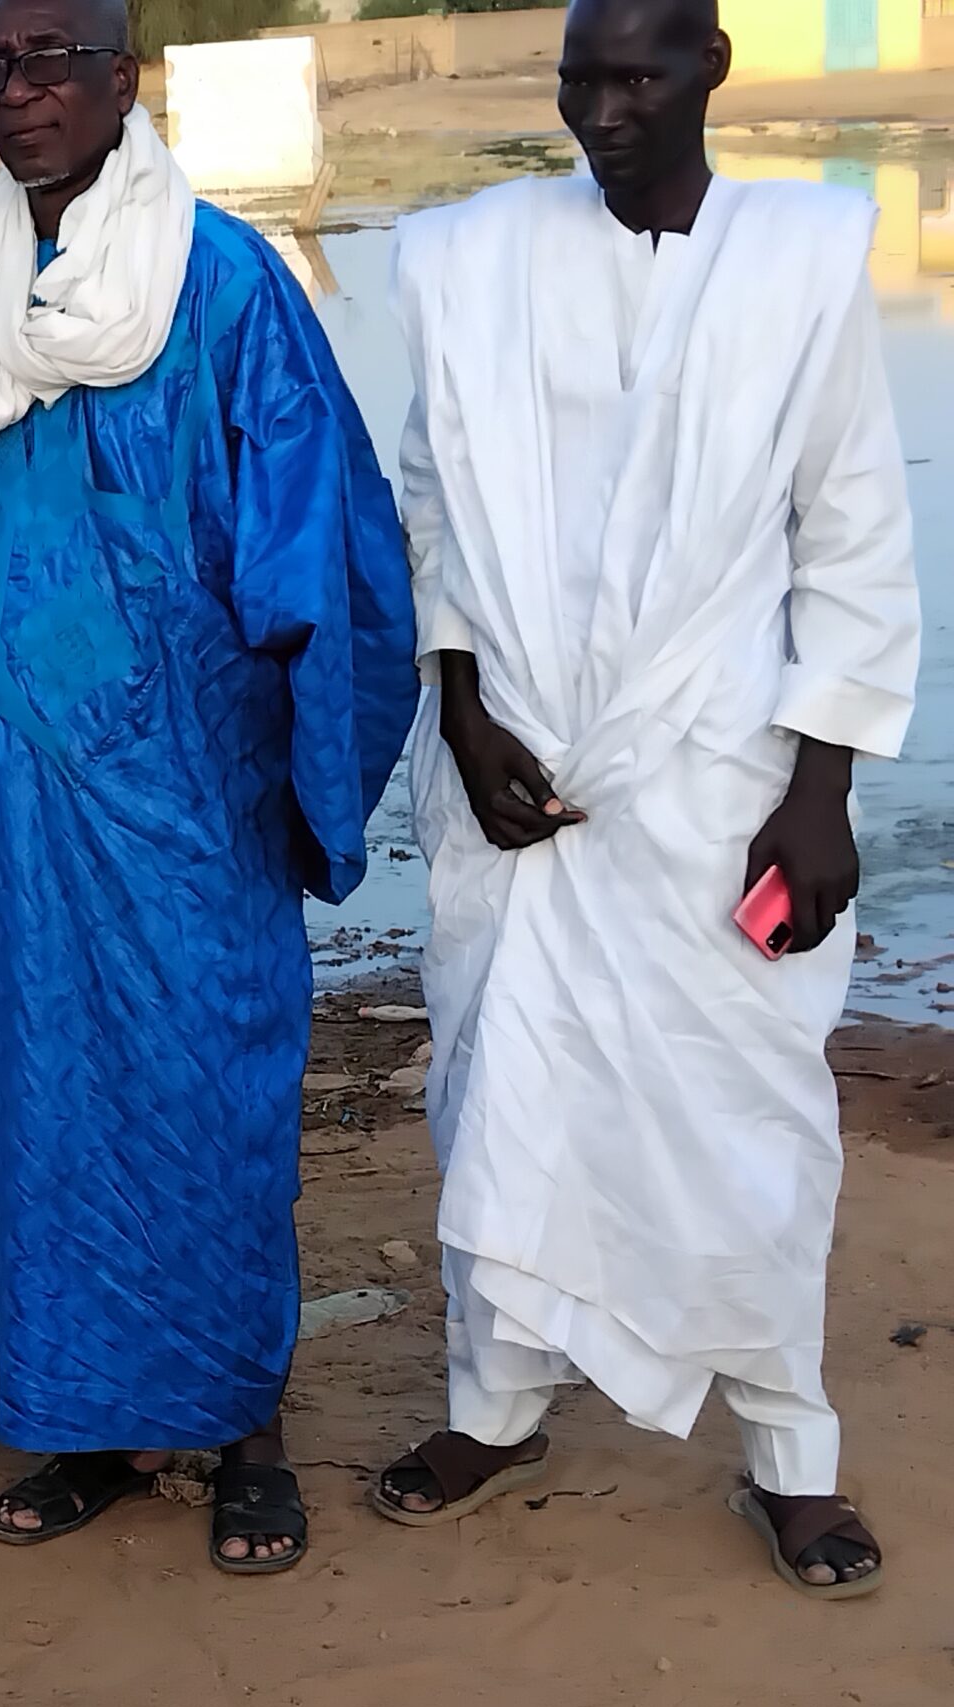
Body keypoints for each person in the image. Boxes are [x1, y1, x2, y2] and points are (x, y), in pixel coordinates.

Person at [376, 0, 917, 1600]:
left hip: (714, 772)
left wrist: (821, 791)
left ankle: (788, 1450)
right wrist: (461, 710)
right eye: (577, 80)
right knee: (504, 1088)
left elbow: (856, 539)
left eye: (636, 77)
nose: (600, 112)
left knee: (743, 1108)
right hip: (520, 775)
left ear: (712, 72)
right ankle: (498, 1404)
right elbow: (433, 502)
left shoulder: (800, 263)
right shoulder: (476, 258)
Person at [0, 0, 417, 1570]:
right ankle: (84, 1424)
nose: (25, 90)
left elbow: (320, 540)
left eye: (58, 61)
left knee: (209, 1096)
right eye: (0, 65)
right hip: (10, 798)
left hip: (186, 788)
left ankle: (243, 1427)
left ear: (128, 80)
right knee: (36, 1097)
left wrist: (298, 776)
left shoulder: (228, 283)